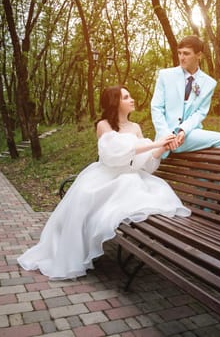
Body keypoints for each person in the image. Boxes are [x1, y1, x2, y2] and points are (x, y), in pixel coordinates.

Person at [17, 85, 191, 280]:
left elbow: (144, 163)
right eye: (126, 97)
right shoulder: (103, 125)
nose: (132, 99)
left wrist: (162, 148)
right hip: (106, 176)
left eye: (130, 95)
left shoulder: (135, 128)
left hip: (130, 175)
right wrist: (157, 143)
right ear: (115, 102)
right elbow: (115, 154)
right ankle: (76, 248)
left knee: (135, 183)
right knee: (97, 194)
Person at [151, 35, 220, 157]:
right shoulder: (165, 76)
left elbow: (200, 113)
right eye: (179, 53)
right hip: (165, 137)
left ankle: (206, 177)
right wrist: (167, 137)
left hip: (188, 135)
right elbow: (156, 108)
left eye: (186, 54)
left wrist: (183, 130)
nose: (181, 58)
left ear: (199, 55)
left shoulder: (209, 83)